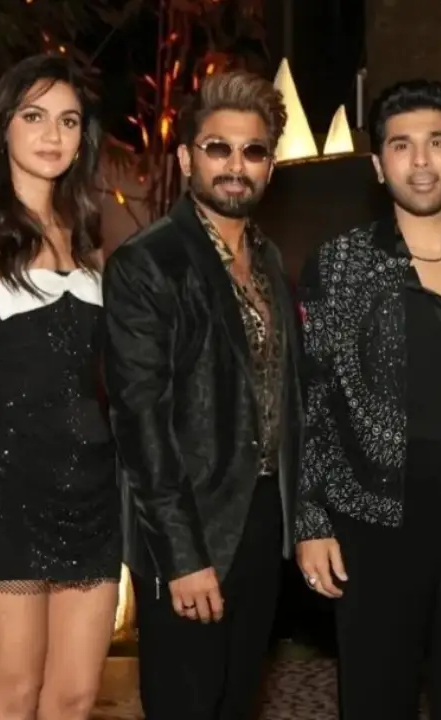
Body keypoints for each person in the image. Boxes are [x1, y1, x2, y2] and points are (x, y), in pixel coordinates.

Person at [293, 78, 441, 719]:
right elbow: (312, 398)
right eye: (401, 145)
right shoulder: (340, 263)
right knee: (377, 696)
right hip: (377, 513)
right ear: (378, 165)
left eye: (436, 142)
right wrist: (311, 521)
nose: (421, 161)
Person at [0, 54, 120, 718]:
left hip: (92, 497)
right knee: (11, 696)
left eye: (68, 121)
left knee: (75, 698)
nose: (52, 134)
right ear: (4, 126)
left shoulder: (91, 246)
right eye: (34, 117)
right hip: (6, 498)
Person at [102, 71, 302, 720]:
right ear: (188, 159)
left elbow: (290, 402)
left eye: (253, 151)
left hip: (262, 520)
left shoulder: (270, 261)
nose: (236, 166)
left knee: (236, 702)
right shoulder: (149, 263)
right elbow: (140, 423)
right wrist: (183, 557)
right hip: (189, 523)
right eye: (218, 148)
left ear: (270, 165)